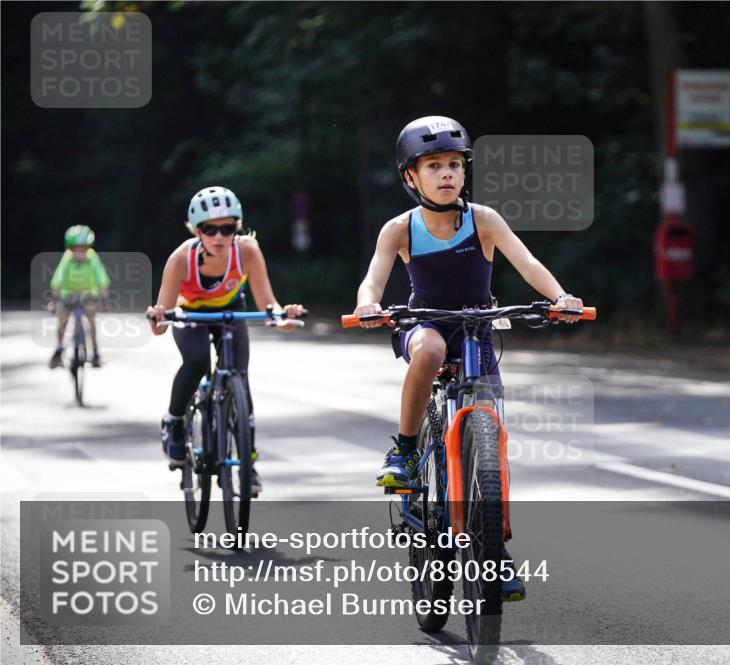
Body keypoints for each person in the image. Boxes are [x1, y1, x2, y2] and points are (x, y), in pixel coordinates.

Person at [353, 116, 586, 601]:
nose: (447, 174)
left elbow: (528, 263)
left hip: (478, 328)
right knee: (432, 348)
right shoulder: (400, 229)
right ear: (411, 177)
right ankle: (406, 450)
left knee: (490, 437)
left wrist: (561, 297)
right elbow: (373, 279)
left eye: (455, 165)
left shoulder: (484, 220)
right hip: (425, 324)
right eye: (433, 165)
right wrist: (368, 305)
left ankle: (495, 549)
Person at [146, 186, 304, 495]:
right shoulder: (181, 258)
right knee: (197, 362)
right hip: (191, 313)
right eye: (210, 229)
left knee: (240, 379)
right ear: (197, 230)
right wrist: (157, 317)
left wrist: (284, 317)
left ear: (237, 227)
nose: (219, 237)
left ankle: (248, 462)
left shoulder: (247, 251)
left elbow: (269, 307)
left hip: (231, 311)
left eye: (228, 228)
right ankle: (174, 421)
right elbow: (160, 325)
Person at [49, 225, 110, 369]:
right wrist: (53, 300)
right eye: (76, 249)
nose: (80, 252)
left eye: (84, 248)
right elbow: (57, 280)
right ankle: (59, 349)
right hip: (69, 295)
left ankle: (95, 352)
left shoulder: (93, 258)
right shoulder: (66, 259)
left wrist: (105, 299)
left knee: (91, 320)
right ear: (70, 249)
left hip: (88, 294)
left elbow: (102, 280)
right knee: (62, 320)